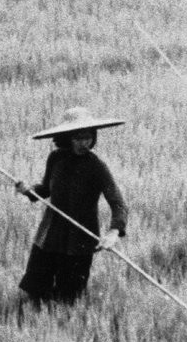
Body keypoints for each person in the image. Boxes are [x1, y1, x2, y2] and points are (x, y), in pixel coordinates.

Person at [10, 108, 129, 305]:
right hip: (50, 234)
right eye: (78, 138)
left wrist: (113, 232)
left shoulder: (96, 166)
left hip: (79, 238)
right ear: (67, 138)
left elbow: (118, 203)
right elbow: (46, 189)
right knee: (36, 290)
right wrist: (27, 191)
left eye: (88, 137)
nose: (85, 143)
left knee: (68, 297)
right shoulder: (56, 158)